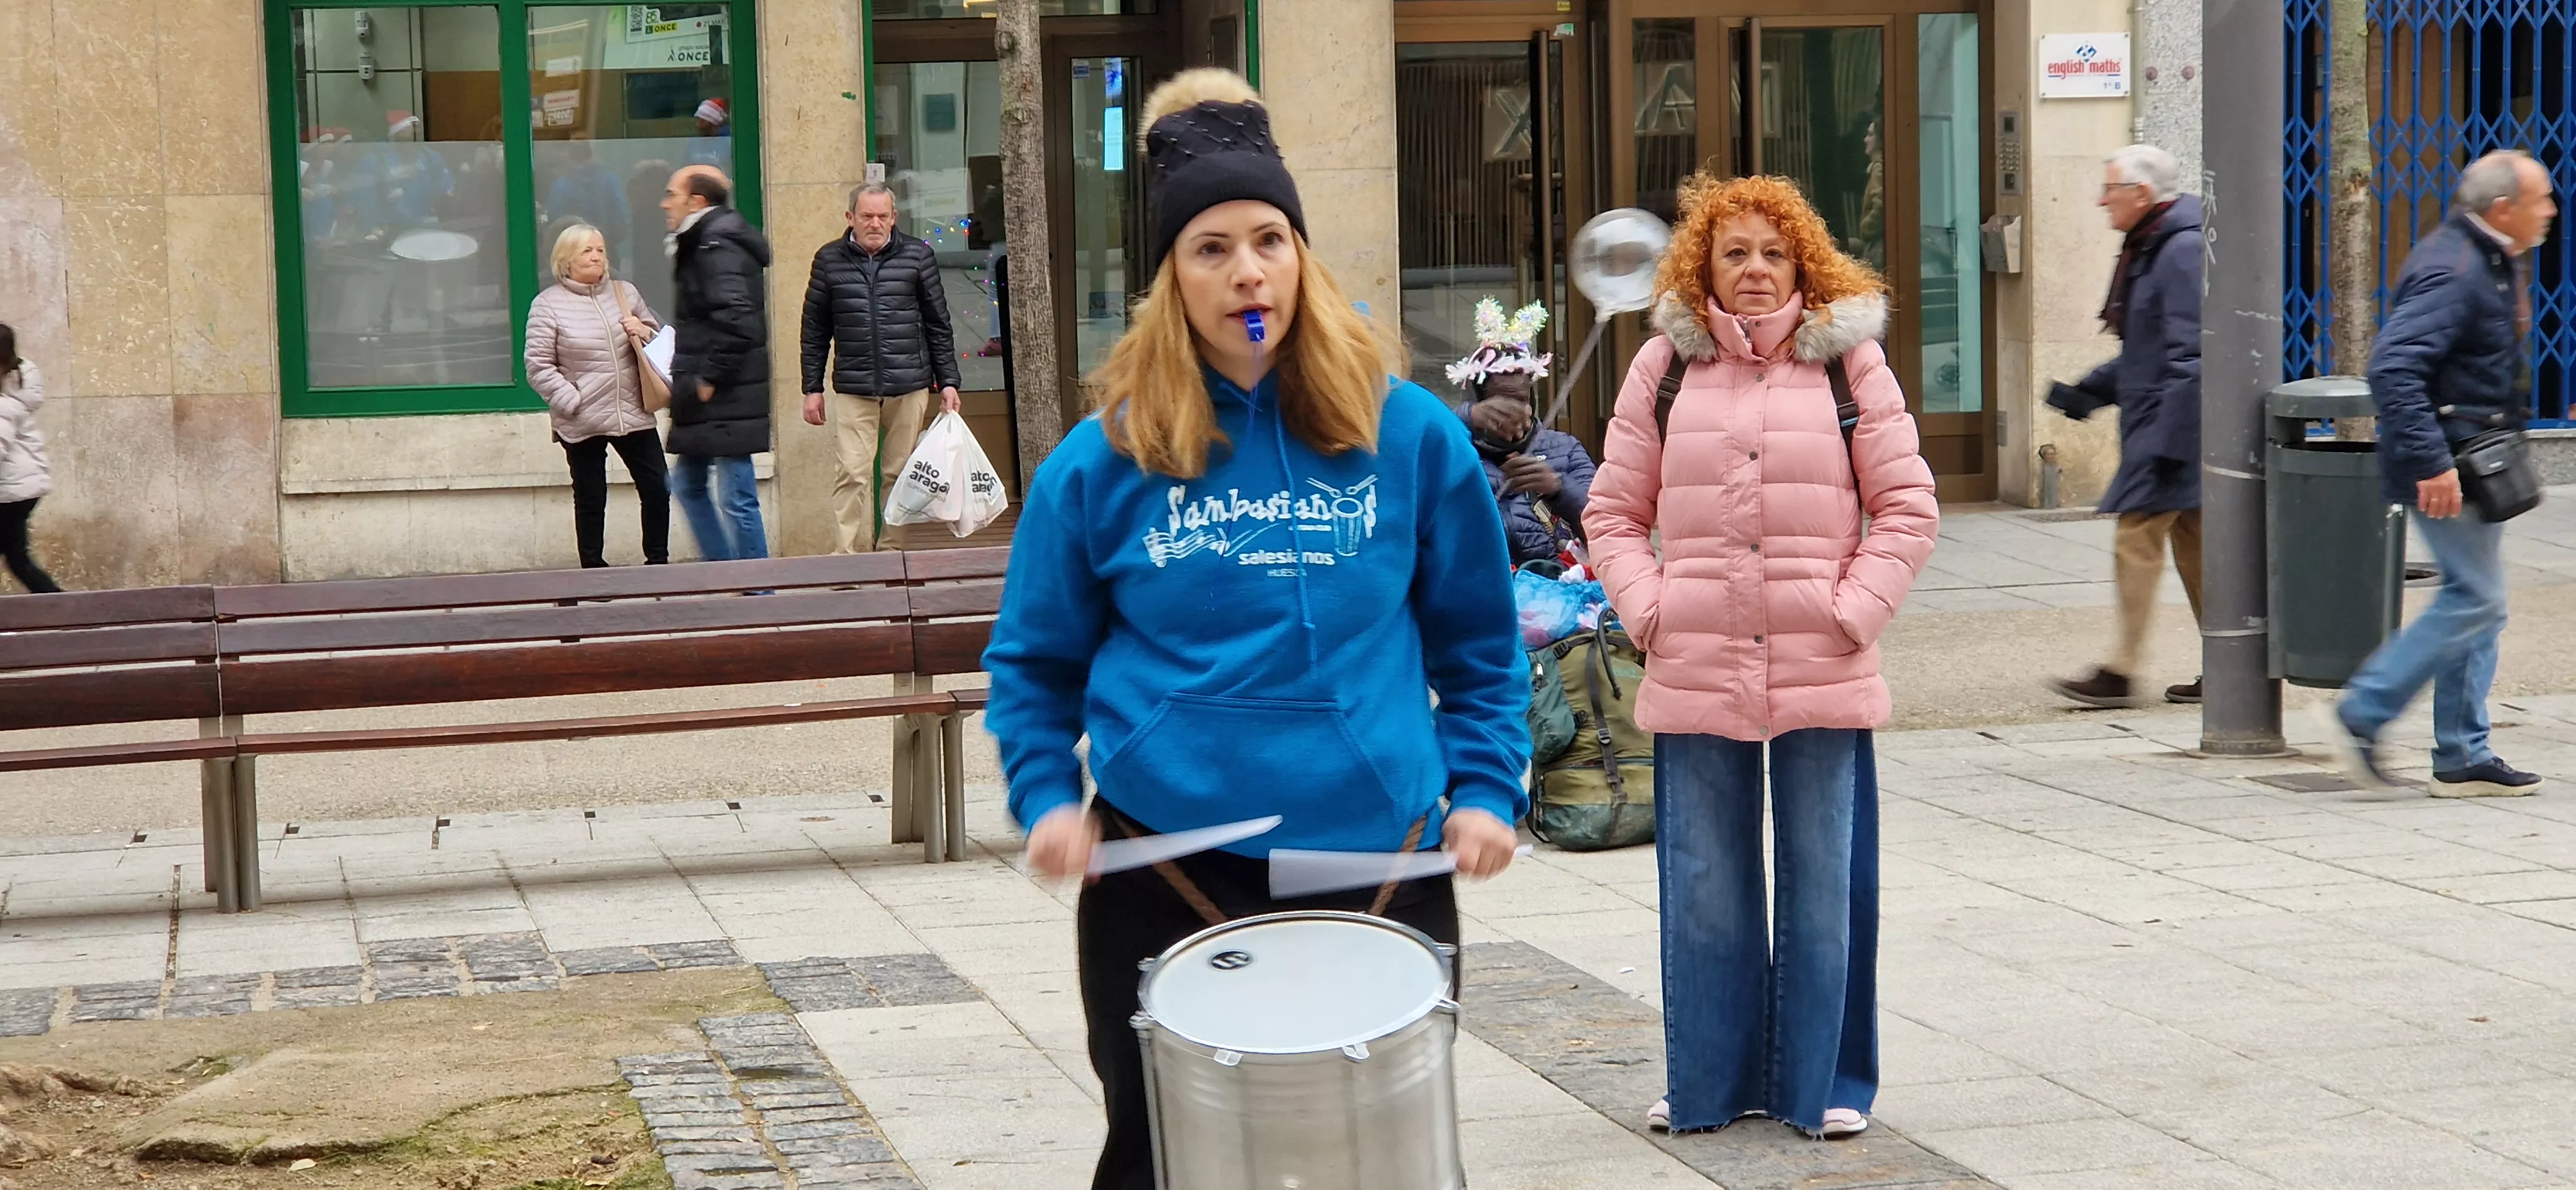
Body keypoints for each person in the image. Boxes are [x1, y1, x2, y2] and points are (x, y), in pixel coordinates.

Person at [980, 68, 1527, 1190]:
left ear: (1302, 257)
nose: (1246, 272)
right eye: (1212, 248)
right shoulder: (1104, 458)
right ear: (1171, 278)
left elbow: (1480, 646)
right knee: (1162, 1162)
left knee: (1379, 1168)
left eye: (1269, 240)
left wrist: (1485, 788)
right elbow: (1033, 664)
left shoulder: (1411, 435)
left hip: (1380, 861)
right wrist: (1043, 795)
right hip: (1166, 871)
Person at [1586, 173, 1938, 1139]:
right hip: (1696, 658)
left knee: (1826, 887)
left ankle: (1824, 1082)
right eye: (1733, 251)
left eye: (1772, 253)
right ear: (1704, 263)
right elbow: (1613, 513)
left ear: (1803, 265)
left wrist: (1853, 611)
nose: (1752, 270)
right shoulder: (1661, 368)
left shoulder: (1847, 366)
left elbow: (1907, 507)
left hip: (1823, 660)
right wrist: (1653, 611)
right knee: (1705, 886)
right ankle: (1709, 1080)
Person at [2318, 150, 2559, 797]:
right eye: (2542, 200)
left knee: (2478, 602)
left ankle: (2461, 752)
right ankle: (2363, 712)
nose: (2551, 211)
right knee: (2474, 599)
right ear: (2502, 208)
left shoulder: (2483, 256)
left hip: (2474, 457)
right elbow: (2393, 368)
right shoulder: (2455, 268)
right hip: (2449, 463)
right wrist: (2431, 462)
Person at [2048, 144, 2208, 708]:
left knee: (2137, 538)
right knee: (2198, 549)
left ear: (2141, 195)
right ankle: (2242, 664)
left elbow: (2193, 356)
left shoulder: (2179, 250)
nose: (2101, 200)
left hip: (2172, 428)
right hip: (2169, 423)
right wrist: (2090, 391)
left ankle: (2121, 670)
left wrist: (2168, 440)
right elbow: (2149, 351)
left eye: (2110, 189)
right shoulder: (2156, 245)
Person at [800, 184, 965, 553]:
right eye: (867, 216)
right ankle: (847, 556)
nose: (875, 223)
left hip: (909, 384)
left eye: (883, 216)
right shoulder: (828, 260)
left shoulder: (918, 256)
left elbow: (939, 323)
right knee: (853, 474)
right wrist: (812, 387)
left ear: (894, 218)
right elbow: (815, 330)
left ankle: (891, 553)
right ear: (851, 218)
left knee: (900, 474)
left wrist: (949, 381)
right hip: (854, 387)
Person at [526, 223, 670, 569]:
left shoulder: (626, 293)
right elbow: (538, 366)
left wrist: (646, 332)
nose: (596, 257)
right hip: (581, 417)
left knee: (657, 488)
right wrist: (572, 401)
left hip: (632, 410)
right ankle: (593, 569)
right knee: (591, 497)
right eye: (586, 251)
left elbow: (659, 344)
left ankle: (658, 562)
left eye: (601, 250)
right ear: (566, 261)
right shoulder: (548, 305)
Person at [661, 165, 774, 562]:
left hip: (723, 392)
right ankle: (728, 574)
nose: (665, 203)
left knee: (735, 494)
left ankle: (755, 588)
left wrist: (708, 377)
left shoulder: (715, 245)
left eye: (672, 194)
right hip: (710, 391)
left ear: (698, 202)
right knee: (689, 484)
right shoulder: (705, 241)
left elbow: (739, 322)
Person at [1447, 298, 1595, 567]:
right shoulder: (1453, 446)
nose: (1514, 413)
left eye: (1521, 401)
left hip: (1557, 589)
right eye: (1500, 403)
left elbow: (1607, 527)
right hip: (1483, 589)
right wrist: (1467, 418)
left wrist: (1559, 490)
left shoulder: (1565, 449)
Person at [0, 325, 59, 595]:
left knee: (18, 559)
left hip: (12, 490)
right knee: (17, 558)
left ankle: (66, 611)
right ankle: (65, 610)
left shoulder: (4, 404)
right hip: (20, 488)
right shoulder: (15, 390)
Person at [544, 138, 630, 267]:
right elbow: (621, 217)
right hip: (606, 250)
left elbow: (555, 221)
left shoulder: (562, 185)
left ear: (568, 155)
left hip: (571, 254)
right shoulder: (610, 181)